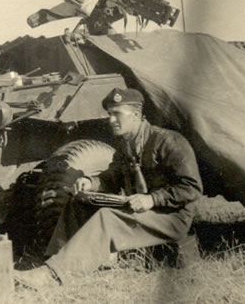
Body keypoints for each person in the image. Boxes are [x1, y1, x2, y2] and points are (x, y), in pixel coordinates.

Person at [16, 87, 203, 288]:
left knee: (108, 218)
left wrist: (152, 199)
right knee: (78, 203)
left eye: (117, 114)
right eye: (109, 114)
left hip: (172, 216)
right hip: (143, 210)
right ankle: (57, 259)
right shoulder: (126, 145)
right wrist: (91, 182)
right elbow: (111, 178)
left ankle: (52, 276)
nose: (111, 119)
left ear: (136, 115)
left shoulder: (169, 141)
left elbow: (191, 188)